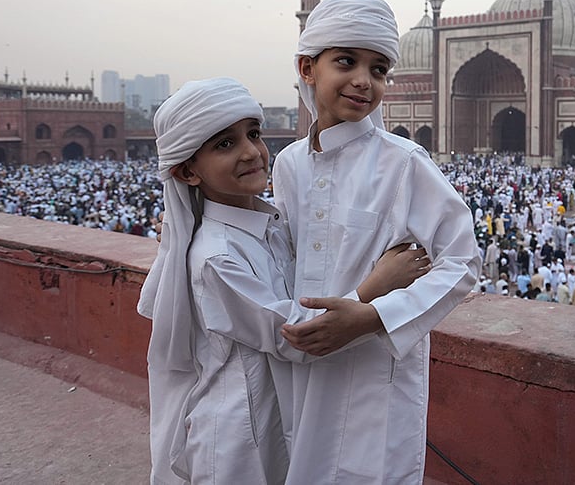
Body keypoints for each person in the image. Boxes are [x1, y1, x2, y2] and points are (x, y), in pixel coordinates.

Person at [136, 77, 429, 485]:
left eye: (253, 134)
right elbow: (297, 336)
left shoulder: (269, 224)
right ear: (188, 171)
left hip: (280, 415)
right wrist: (376, 286)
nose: (251, 152)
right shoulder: (215, 257)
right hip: (239, 436)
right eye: (225, 144)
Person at [272, 0, 481, 484]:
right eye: (346, 61)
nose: (365, 80)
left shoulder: (403, 162)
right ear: (307, 67)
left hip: (377, 376)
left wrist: (372, 316)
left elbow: (463, 261)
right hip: (307, 363)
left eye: (379, 69)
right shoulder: (289, 165)